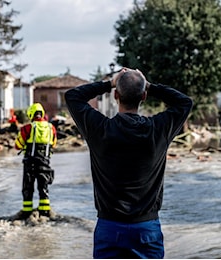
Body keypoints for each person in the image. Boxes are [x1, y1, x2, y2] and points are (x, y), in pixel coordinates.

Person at [65, 68, 193, 258]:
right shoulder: (157, 130)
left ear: (116, 95)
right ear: (144, 96)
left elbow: (73, 97)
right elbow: (184, 102)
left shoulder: (100, 130)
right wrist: (148, 84)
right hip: (146, 229)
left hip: (109, 228)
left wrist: (109, 83)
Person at [15, 103, 57, 218]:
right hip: (45, 163)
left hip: (30, 163)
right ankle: (45, 211)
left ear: (31, 114)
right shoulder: (51, 128)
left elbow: (18, 145)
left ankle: (27, 212)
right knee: (43, 187)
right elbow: (54, 144)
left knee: (28, 187)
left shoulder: (27, 128)